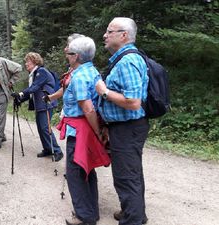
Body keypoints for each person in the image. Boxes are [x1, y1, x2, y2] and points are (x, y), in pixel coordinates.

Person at [95, 17, 149, 225]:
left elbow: (133, 102)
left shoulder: (128, 61)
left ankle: (132, 219)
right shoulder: (123, 59)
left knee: (127, 176)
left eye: (110, 31)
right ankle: (133, 212)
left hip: (128, 128)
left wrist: (104, 92)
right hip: (124, 127)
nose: (105, 35)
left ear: (123, 35)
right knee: (131, 172)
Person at [56, 36, 110, 225]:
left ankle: (84, 216)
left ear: (76, 56)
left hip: (79, 131)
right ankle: (91, 212)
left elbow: (88, 108)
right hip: (86, 128)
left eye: (69, 53)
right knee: (87, 170)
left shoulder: (78, 76)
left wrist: (97, 131)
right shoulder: (92, 70)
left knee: (75, 173)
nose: (67, 56)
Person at [11, 52, 63, 161]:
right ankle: (48, 149)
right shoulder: (33, 75)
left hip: (46, 103)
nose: (26, 64)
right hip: (40, 104)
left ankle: (57, 151)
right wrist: (19, 99)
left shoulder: (41, 72)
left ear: (35, 61)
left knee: (45, 127)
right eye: (26, 62)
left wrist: (20, 94)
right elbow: (31, 93)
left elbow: (35, 87)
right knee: (41, 128)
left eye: (28, 61)